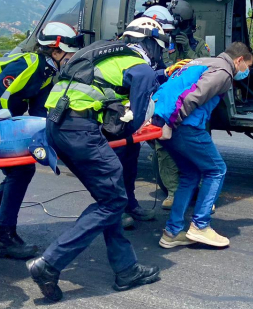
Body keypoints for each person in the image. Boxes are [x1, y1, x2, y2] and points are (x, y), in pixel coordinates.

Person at [27, 27, 162, 302]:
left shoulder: (105, 51)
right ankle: (50, 263)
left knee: (108, 198)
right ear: (151, 44)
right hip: (79, 128)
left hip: (56, 125)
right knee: (113, 201)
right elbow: (136, 122)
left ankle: (126, 269)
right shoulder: (141, 67)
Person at [0, 21, 80, 260]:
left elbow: (41, 116)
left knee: (18, 172)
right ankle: (2, 237)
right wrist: (10, 126)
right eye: (70, 54)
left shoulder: (48, 73)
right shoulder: (29, 63)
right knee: (21, 171)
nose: (73, 59)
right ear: (56, 50)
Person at [152, 41, 253, 249]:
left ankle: (172, 232)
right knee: (216, 170)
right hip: (184, 126)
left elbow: (167, 88)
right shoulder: (223, 71)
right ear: (239, 60)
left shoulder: (203, 62)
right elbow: (193, 96)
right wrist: (172, 121)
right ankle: (200, 225)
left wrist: (162, 122)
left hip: (163, 122)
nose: (246, 72)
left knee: (190, 175)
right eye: (248, 67)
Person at [147, 2, 209, 210]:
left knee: (195, 147)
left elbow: (206, 70)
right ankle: (173, 191)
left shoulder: (199, 45)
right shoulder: (161, 44)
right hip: (166, 102)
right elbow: (158, 69)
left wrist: (190, 50)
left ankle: (198, 191)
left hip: (192, 104)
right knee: (163, 148)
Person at [113, 17, 171, 227]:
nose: (159, 52)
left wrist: (163, 73)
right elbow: (139, 89)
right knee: (116, 167)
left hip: (121, 119)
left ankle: (130, 204)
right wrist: (138, 127)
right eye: (158, 47)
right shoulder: (134, 59)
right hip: (113, 122)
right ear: (149, 41)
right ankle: (115, 211)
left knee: (129, 164)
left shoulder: (132, 55)